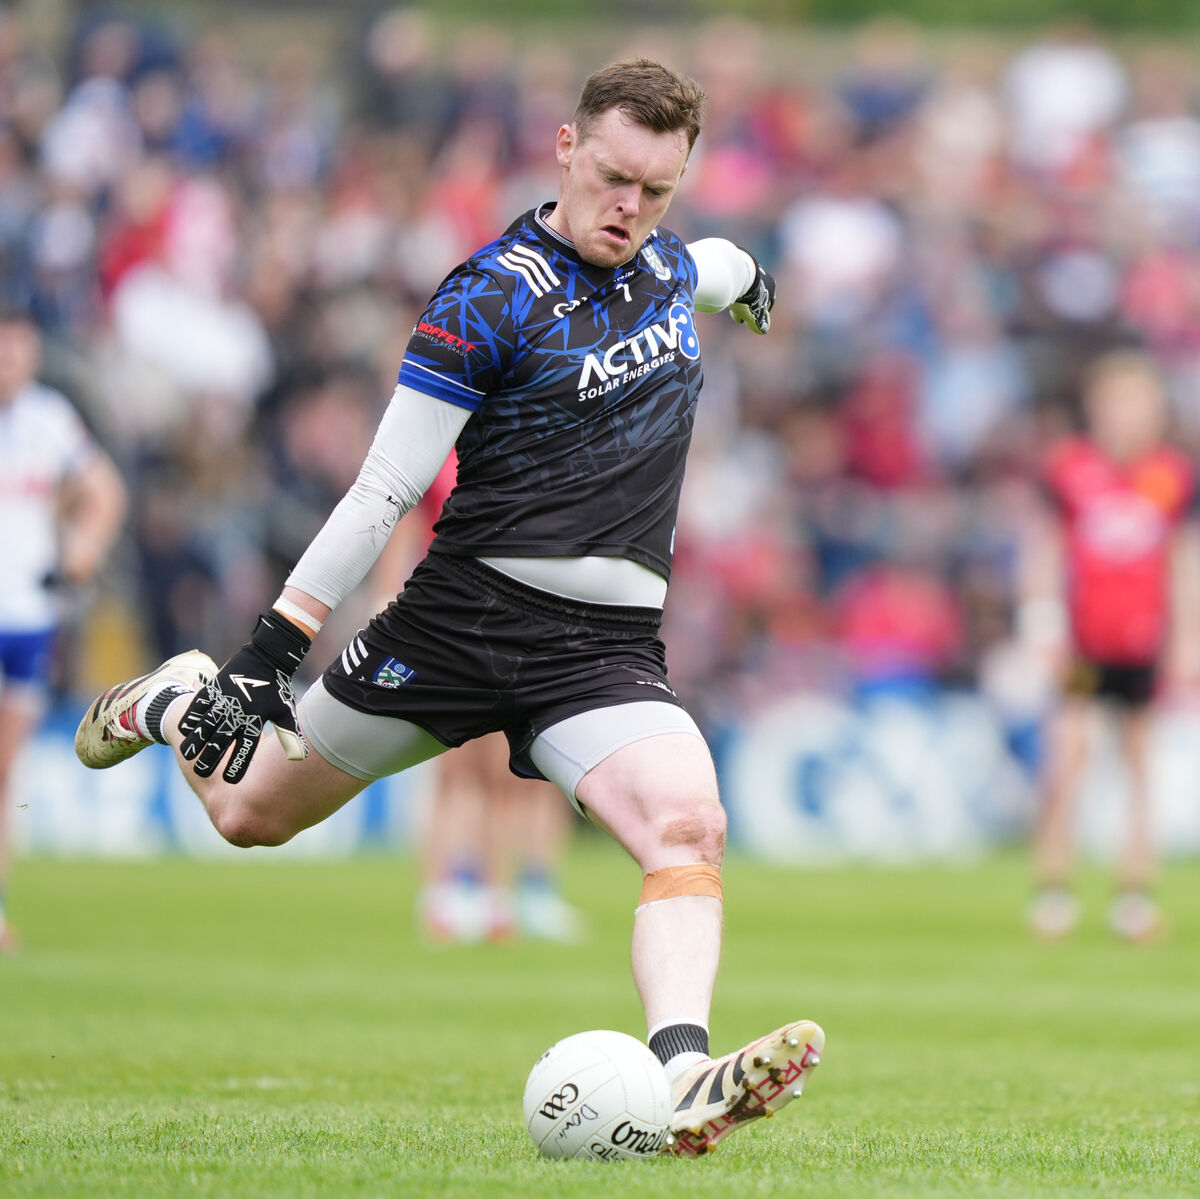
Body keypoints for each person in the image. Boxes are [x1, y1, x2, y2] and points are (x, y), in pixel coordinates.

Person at [75, 59, 824, 1155]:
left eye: (658, 190)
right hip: (464, 618)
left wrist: (755, 283)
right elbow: (384, 487)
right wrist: (270, 645)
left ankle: (679, 1073)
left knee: (688, 823)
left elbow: (717, 265)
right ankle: (174, 696)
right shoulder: (488, 295)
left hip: (604, 650)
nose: (631, 208)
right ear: (566, 148)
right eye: (615, 177)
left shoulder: (671, 264)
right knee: (251, 814)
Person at [1021, 349, 1196, 943]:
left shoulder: (1173, 475)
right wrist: (1042, 622)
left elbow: (1184, 562)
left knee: (1141, 764)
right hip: (1084, 643)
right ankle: (1053, 888)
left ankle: (1134, 892)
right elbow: (1044, 548)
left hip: (1144, 642)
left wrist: (1188, 639)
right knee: (1068, 759)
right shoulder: (1071, 469)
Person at [0, 308, 127, 954]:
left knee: (4, 771)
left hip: (26, 617)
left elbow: (104, 490)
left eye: (20, 350)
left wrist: (80, 552)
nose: (11, 362)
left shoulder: (47, 420)